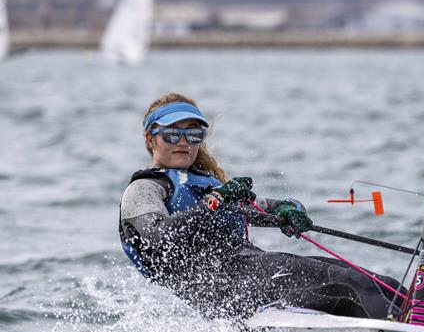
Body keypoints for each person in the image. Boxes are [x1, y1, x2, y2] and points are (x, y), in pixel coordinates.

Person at [119, 93, 406, 319]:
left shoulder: (207, 183)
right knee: (355, 285)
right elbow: (158, 236)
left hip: (246, 270)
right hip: (220, 288)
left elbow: (263, 207)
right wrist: (212, 207)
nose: (183, 142)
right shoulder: (144, 189)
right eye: (172, 134)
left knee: (382, 282)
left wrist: (289, 209)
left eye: (193, 135)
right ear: (150, 137)